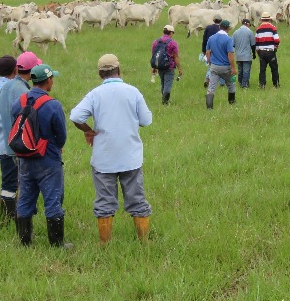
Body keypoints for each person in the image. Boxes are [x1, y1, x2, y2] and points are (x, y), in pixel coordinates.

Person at [69, 54, 153, 243]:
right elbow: (147, 121)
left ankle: (104, 244)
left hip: (104, 158)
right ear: (119, 70)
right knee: (137, 199)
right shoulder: (133, 92)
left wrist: (88, 131)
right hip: (130, 157)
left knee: (105, 201)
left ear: (100, 73)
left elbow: (75, 116)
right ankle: (144, 242)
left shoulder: (95, 94)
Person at [12, 64, 71, 248]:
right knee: (53, 198)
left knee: (25, 197)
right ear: (48, 80)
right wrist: (57, 146)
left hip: (24, 158)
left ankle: (25, 241)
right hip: (48, 159)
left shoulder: (19, 102)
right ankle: (56, 243)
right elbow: (61, 135)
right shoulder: (53, 105)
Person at [0, 52, 42, 222]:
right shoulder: (24, 91)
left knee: (13, 183)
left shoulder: (5, 87)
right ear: (32, 71)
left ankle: (9, 218)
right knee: (26, 185)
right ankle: (22, 222)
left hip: (8, 144)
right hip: (22, 146)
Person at [0, 55, 18, 222]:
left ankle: (8, 215)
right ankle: (8, 217)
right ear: (15, 70)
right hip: (9, 141)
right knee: (10, 182)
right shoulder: (9, 88)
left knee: (9, 179)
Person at [205, 20, 237, 106]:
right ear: (228, 28)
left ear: (220, 27)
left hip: (214, 66)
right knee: (231, 85)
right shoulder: (228, 39)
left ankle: (209, 108)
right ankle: (232, 103)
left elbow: (208, 52)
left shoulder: (211, 38)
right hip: (226, 67)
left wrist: (209, 62)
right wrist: (233, 68)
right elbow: (230, 54)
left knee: (211, 88)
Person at [151, 25, 182, 104]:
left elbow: (154, 55)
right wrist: (179, 68)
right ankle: (165, 102)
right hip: (169, 66)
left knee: (163, 83)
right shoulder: (173, 43)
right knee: (168, 84)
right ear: (171, 32)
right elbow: (176, 57)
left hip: (159, 66)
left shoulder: (156, 42)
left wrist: (154, 67)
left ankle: (164, 100)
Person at [255, 12, 280, 89]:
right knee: (274, 68)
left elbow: (256, 41)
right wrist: (276, 45)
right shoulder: (273, 28)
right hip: (270, 51)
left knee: (262, 69)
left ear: (262, 20)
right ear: (269, 19)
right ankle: (276, 85)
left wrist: (258, 51)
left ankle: (262, 85)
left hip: (261, 52)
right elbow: (277, 39)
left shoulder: (258, 29)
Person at [232, 18, 256, 88]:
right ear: (248, 24)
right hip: (247, 56)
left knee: (240, 71)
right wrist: (254, 54)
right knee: (246, 71)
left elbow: (232, 44)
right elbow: (253, 45)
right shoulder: (249, 32)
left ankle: (240, 83)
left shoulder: (235, 32)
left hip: (238, 56)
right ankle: (245, 85)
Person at [201, 17, 222, 88]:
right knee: (221, 64)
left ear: (213, 20)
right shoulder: (221, 28)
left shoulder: (208, 27)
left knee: (211, 64)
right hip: (219, 50)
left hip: (209, 49)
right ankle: (221, 82)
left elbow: (204, 39)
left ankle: (207, 78)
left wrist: (204, 50)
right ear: (221, 21)